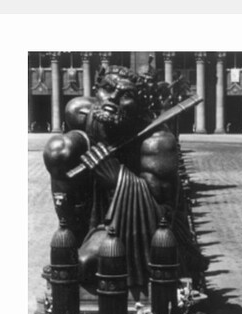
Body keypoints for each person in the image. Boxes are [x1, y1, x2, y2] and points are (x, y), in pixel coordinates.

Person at [42, 65, 208, 296]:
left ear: (141, 107)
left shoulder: (157, 143)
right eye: (107, 89)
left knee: (84, 265)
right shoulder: (85, 114)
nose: (112, 99)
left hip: (131, 224)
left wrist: (117, 178)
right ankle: (72, 234)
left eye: (126, 96)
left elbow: (163, 215)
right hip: (95, 213)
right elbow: (73, 116)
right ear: (95, 90)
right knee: (59, 150)